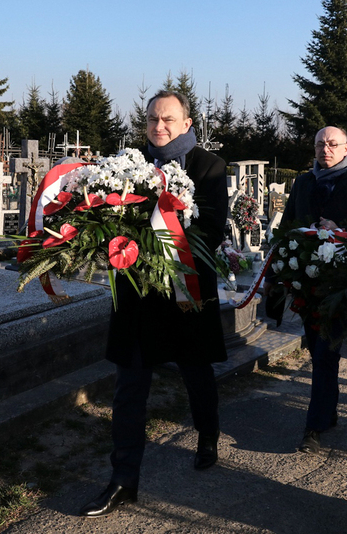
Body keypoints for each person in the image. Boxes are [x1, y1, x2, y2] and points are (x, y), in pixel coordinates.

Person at [79, 90, 228, 517]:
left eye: (167, 119)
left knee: (196, 372)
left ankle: (207, 432)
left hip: (186, 291)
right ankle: (123, 480)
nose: (158, 127)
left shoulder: (209, 167)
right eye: (151, 120)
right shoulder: (128, 167)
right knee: (129, 389)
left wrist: (159, 238)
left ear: (186, 122)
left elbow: (211, 231)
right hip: (138, 295)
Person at [276, 126, 347, 454]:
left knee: (324, 354)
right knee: (320, 354)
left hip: (342, 288)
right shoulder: (304, 183)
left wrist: (341, 233)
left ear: (346, 147)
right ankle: (328, 410)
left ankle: (314, 427)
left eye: (333, 144)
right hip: (306, 285)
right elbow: (288, 225)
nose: (326, 149)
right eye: (320, 143)